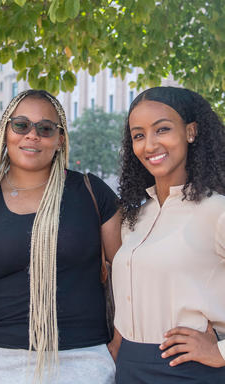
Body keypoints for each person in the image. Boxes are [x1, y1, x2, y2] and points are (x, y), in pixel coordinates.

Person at [0, 89, 122, 384]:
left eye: (45, 128)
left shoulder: (91, 192)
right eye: (21, 125)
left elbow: (129, 277)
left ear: (60, 140)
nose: (32, 135)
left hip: (84, 363)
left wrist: (117, 347)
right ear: (5, 132)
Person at [113, 86, 225, 383]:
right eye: (138, 135)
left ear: (191, 131)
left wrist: (222, 352)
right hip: (130, 367)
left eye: (162, 129)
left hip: (191, 371)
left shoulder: (217, 211)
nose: (149, 145)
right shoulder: (135, 218)